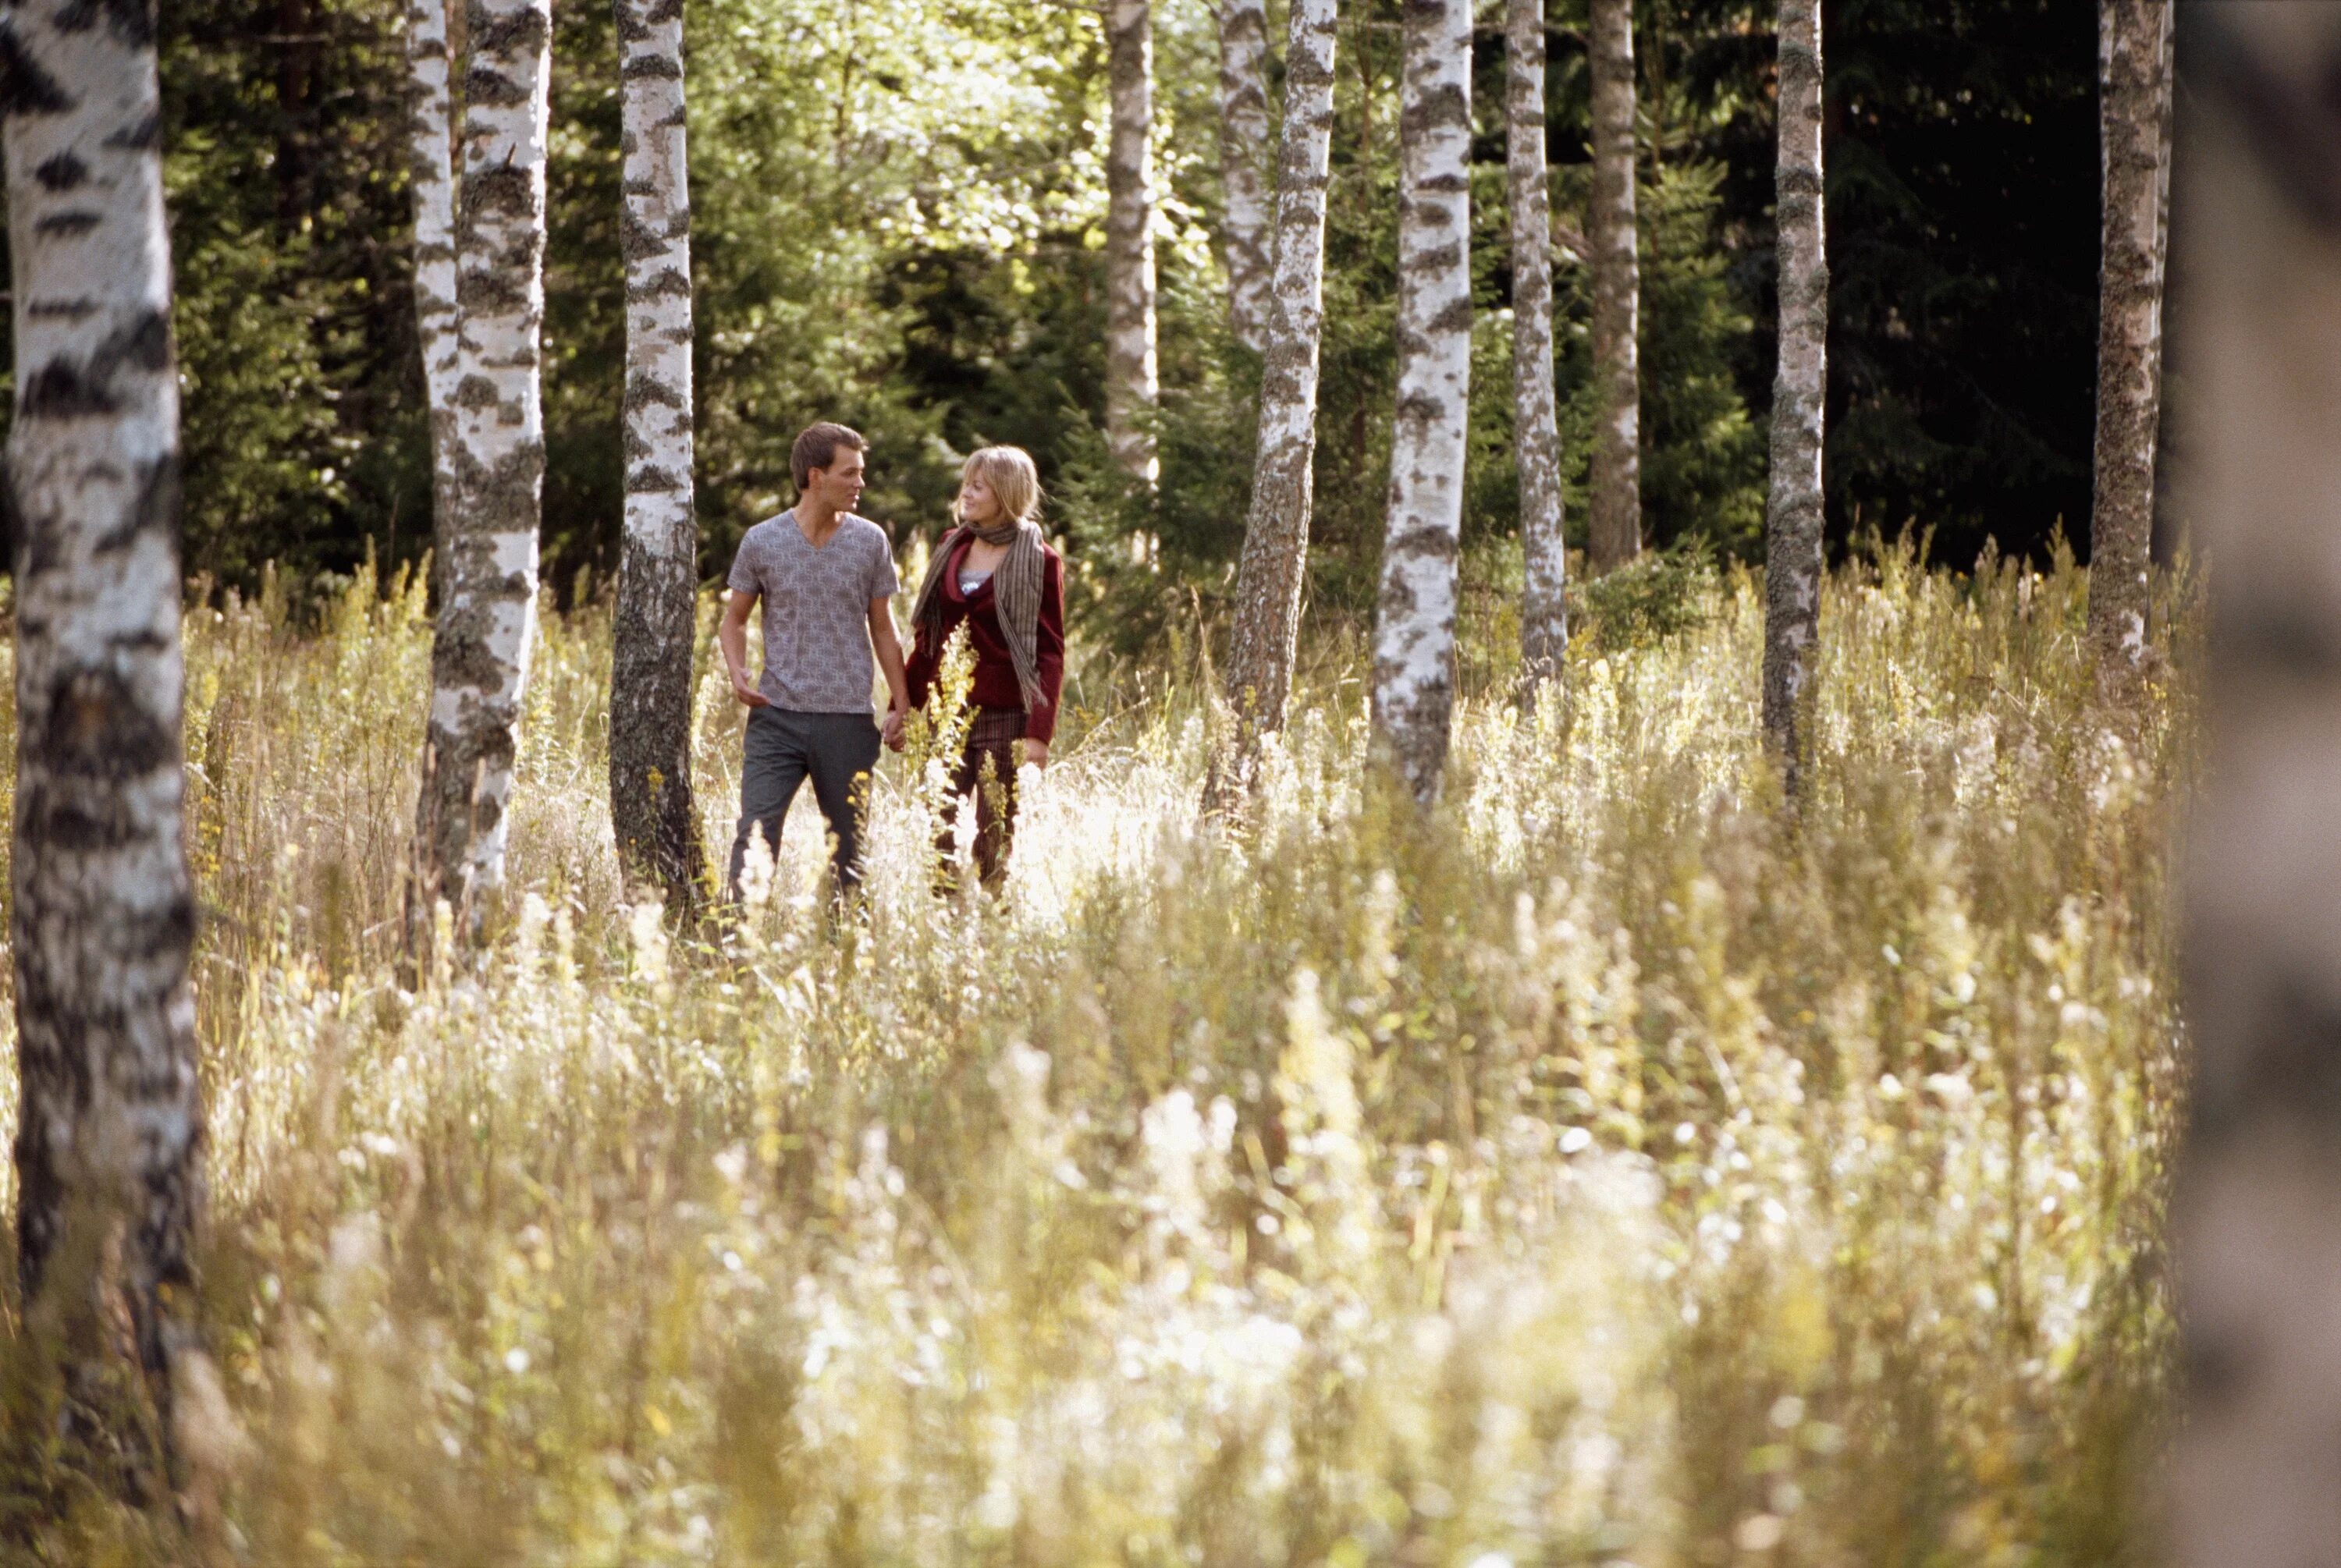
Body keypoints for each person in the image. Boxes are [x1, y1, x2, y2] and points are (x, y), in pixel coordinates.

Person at [719, 421, 911, 900]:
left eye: (861, 473)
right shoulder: (763, 541)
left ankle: (846, 955)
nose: (860, 483)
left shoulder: (870, 542)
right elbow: (735, 621)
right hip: (775, 717)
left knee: (850, 852)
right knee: (754, 837)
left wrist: (901, 702)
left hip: (848, 721)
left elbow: (883, 627)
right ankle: (737, 949)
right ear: (815, 476)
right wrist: (737, 670)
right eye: (850, 473)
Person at [903, 445, 1066, 887]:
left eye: (979, 486)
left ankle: (991, 933)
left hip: (1006, 717)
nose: (967, 494)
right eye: (967, 484)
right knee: (938, 833)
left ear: (1006, 494)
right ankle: (943, 932)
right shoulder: (949, 547)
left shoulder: (1040, 559)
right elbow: (928, 640)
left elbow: (1049, 652)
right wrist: (904, 706)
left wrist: (1038, 734)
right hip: (946, 714)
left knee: (995, 841)